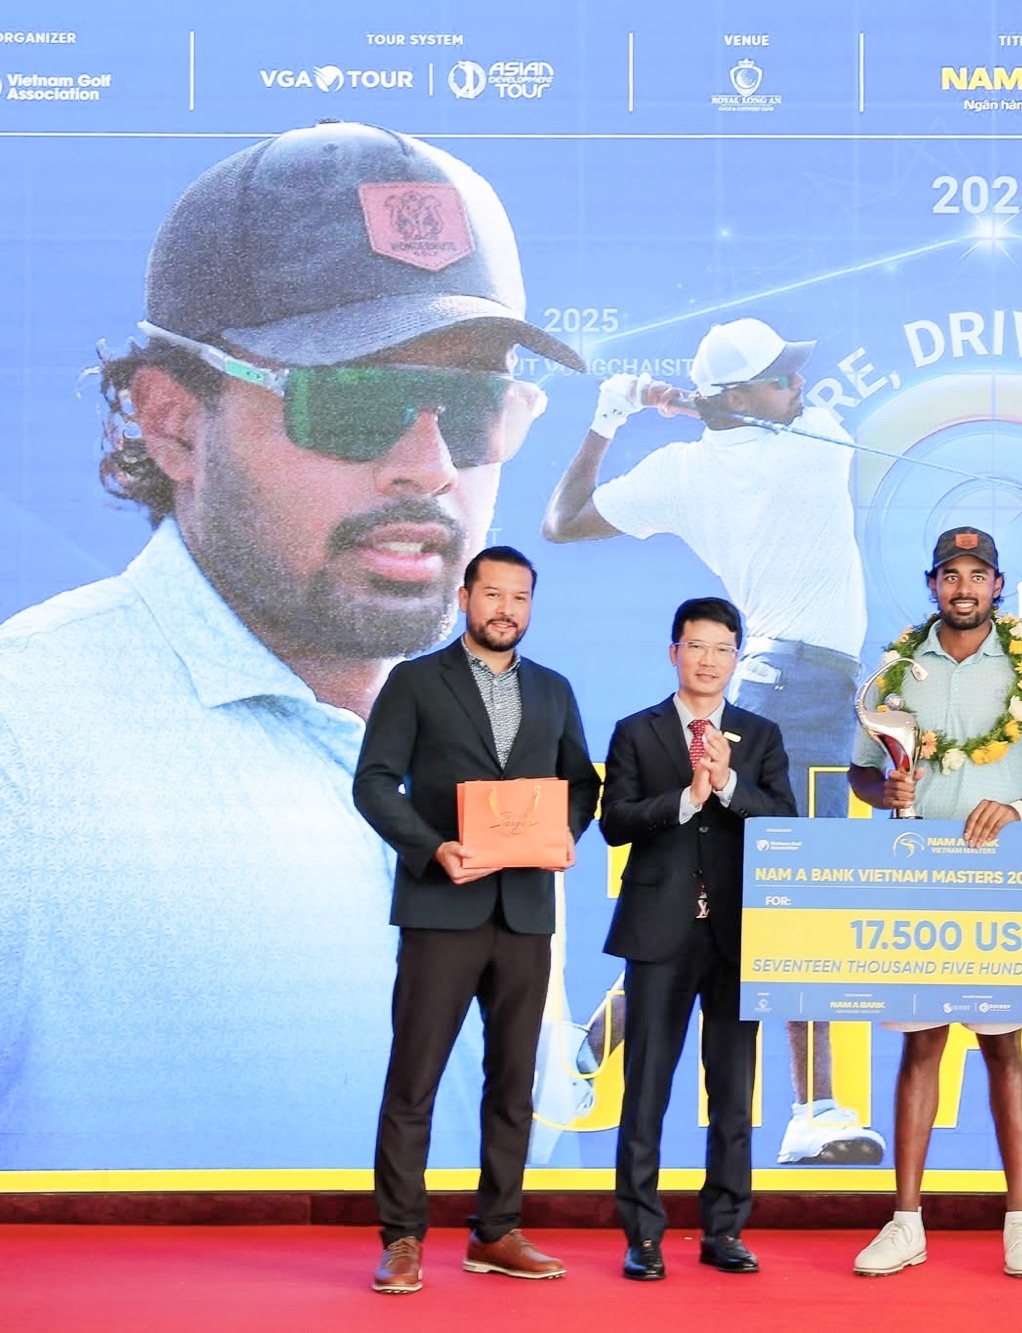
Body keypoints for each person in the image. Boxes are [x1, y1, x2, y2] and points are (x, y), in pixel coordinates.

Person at [0, 121, 586, 1172]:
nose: (428, 466)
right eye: (354, 402)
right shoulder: (23, 761)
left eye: (472, 408)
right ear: (173, 423)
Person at [543, 317, 880, 1167]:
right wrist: (673, 409)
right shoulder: (808, 441)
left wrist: (615, 416)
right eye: (778, 376)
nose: (797, 384)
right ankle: (813, 1107)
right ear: (739, 396)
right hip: (793, 693)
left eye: (790, 371)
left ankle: (582, 1049)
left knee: (726, 900)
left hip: (792, 689)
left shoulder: (692, 469)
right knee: (797, 898)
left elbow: (568, 516)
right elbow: (558, 526)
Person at [354, 546, 601, 1295]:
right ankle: (402, 1237)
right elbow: (374, 782)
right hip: (441, 906)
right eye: (493, 594)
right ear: (464, 597)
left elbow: (581, 785)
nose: (506, 610)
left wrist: (566, 833)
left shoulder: (553, 689)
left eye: (520, 597)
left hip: (525, 911)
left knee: (514, 1080)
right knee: (415, 1078)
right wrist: (433, 848)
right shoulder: (415, 681)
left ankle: (496, 1231)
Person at [845, 526, 1022, 1279]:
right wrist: (883, 789)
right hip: (916, 875)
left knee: (1003, 1044)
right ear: (932, 585)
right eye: (951, 574)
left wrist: (1018, 809)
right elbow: (861, 773)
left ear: (998, 587)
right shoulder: (894, 671)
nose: (964, 588)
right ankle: (905, 1222)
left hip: (996, 880)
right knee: (921, 1042)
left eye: (978, 575)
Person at [602, 596, 797, 1282]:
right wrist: (687, 798)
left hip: (738, 934)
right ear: (673, 652)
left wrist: (729, 784)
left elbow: (785, 820)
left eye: (722, 648)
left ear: (736, 658)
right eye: (696, 646)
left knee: (734, 1091)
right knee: (646, 1086)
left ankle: (725, 1230)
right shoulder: (637, 731)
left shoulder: (761, 734)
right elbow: (614, 821)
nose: (708, 660)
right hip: (659, 930)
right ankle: (642, 1234)